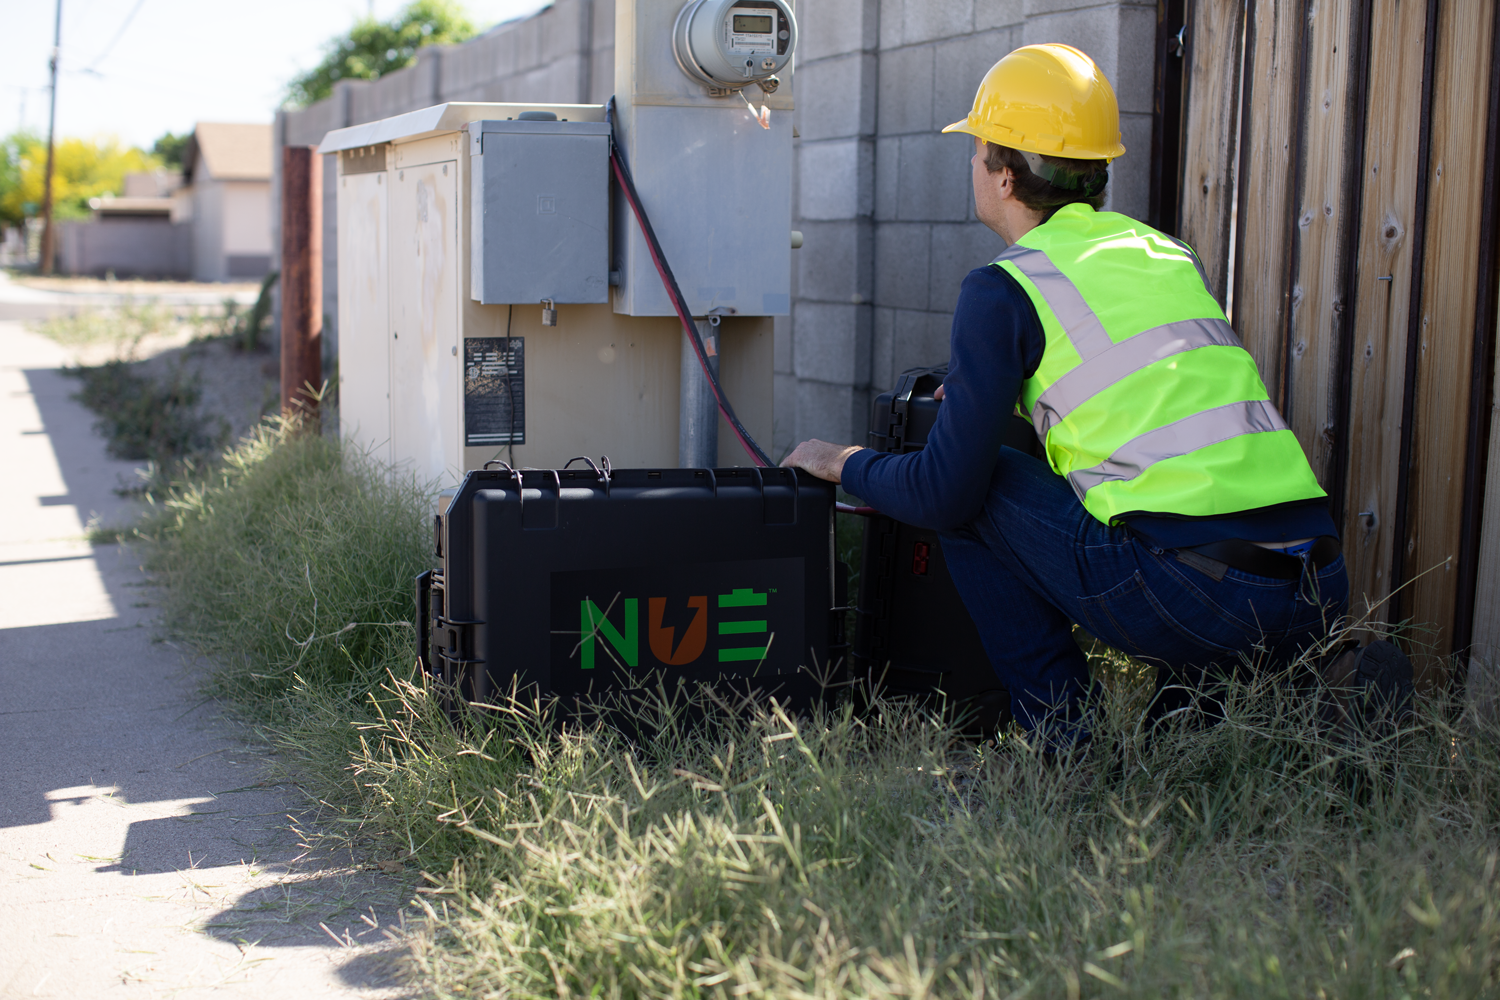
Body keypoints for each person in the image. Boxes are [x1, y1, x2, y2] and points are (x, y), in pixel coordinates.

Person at [781, 43, 1408, 744]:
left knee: (974, 486)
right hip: (1317, 584)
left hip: (1195, 595)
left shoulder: (1005, 288)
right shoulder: (1164, 253)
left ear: (1006, 177)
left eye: (978, 148)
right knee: (1136, 514)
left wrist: (846, 462)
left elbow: (943, 494)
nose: (972, 165)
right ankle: (1269, 699)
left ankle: (1062, 743)